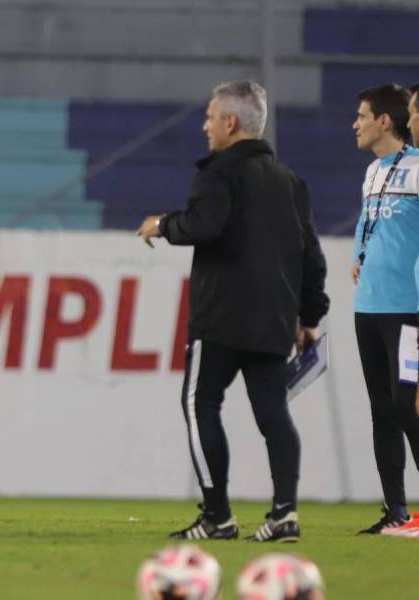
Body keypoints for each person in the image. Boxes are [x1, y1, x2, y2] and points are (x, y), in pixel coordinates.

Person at [137, 80, 329, 542]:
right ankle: (284, 513)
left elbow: (206, 225)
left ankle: (218, 515)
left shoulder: (218, 173)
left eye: (209, 117)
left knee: (200, 402)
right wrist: (309, 318)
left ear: (231, 121)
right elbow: (312, 257)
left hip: (221, 317)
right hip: (274, 318)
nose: (204, 126)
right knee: (273, 413)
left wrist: (163, 225)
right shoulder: (290, 181)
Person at [349, 83, 419, 535]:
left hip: (407, 308)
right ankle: (395, 511)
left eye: (361, 115)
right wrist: (358, 256)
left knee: (408, 405)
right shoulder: (373, 172)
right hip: (368, 306)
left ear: (384, 121)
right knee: (382, 410)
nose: (355, 124)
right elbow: (366, 222)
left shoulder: (417, 168)